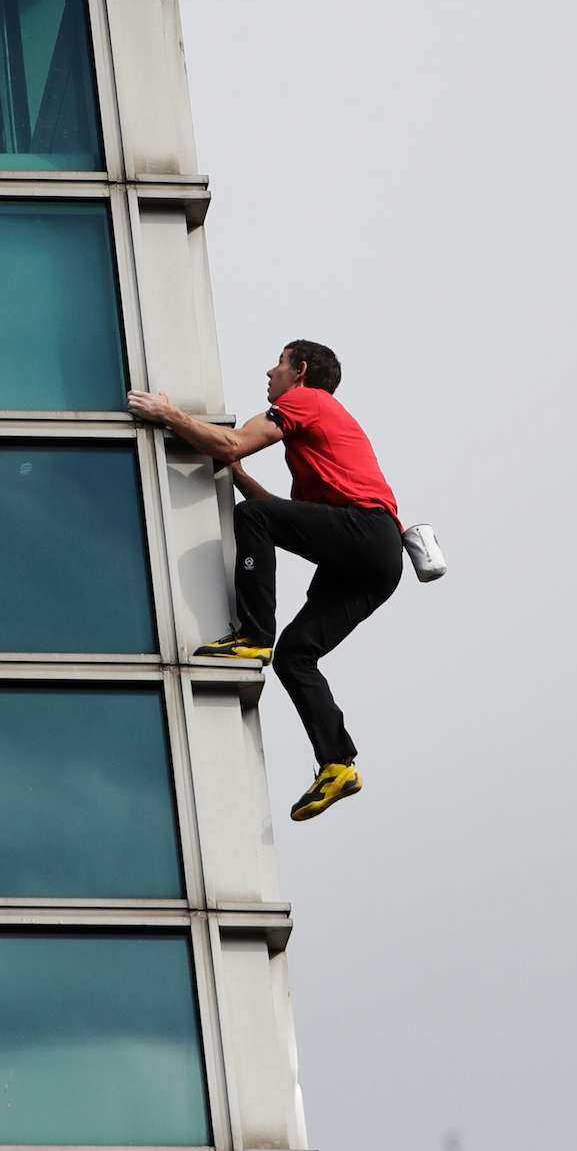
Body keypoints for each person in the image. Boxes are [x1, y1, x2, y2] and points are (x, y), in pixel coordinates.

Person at [127, 339, 403, 822]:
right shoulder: (317, 442)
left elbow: (236, 448)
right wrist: (234, 471)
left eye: (278, 363)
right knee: (296, 656)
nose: (269, 372)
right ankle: (338, 763)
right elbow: (272, 503)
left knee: (252, 518)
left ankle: (253, 636)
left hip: (367, 533)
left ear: (298, 370)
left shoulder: (306, 400)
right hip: (376, 560)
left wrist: (169, 414)